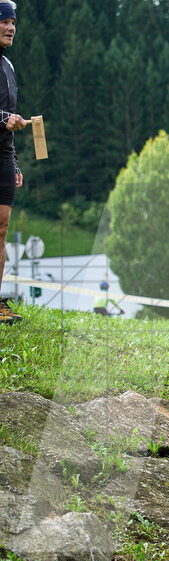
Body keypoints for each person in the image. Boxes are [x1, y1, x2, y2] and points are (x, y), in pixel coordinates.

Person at [0, 1, 25, 325]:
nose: (10, 28)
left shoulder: (8, 66)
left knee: (2, 228)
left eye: (13, 23)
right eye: (4, 21)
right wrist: (3, 119)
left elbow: (9, 117)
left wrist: (15, 162)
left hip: (3, 155)